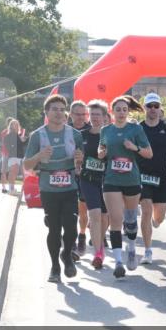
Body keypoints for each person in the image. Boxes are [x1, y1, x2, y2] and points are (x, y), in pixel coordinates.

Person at [23, 95, 85, 282]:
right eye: (54, 109)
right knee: (54, 228)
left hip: (69, 186)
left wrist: (79, 160)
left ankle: (66, 254)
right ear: (47, 113)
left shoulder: (75, 135)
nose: (58, 113)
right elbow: (27, 165)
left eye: (61, 109)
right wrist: (40, 155)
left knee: (71, 227)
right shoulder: (38, 135)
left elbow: (80, 165)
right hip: (48, 187)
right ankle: (55, 267)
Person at [99, 96, 152, 279]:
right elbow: (101, 149)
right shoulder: (106, 130)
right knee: (116, 218)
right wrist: (101, 153)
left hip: (131, 180)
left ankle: (131, 247)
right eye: (118, 109)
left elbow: (149, 153)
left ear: (128, 112)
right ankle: (118, 262)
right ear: (112, 112)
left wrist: (134, 147)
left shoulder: (136, 129)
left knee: (130, 220)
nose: (121, 113)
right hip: (112, 179)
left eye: (124, 109)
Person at [137, 93, 166, 265]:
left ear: (160, 108)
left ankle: (156, 221)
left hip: (162, 177)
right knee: (146, 211)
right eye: (150, 106)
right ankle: (147, 251)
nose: (153, 109)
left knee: (159, 217)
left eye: (156, 106)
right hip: (142, 176)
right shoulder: (138, 128)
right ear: (145, 108)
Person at [79, 100, 110, 269]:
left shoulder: (110, 135)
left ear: (105, 117)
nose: (94, 118)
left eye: (98, 115)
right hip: (88, 179)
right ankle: (98, 253)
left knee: (105, 217)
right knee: (95, 214)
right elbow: (76, 156)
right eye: (91, 114)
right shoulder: (82, 135)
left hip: (107, 181)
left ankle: (99, 239)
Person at [69, 100, 92, 257]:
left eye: (83, 114)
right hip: (67, 175)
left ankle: (82, 235)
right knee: (69, 211)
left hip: (86, 176)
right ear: (70, 115)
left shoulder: (92, 131)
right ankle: (71, 242)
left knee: (82, 211)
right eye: (77, 114)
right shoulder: (65, 130)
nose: (80, 117)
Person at [0, 118, 27, 195]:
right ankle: (11, 189)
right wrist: (17, 143)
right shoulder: (8, 136)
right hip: (13, 157)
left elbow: (21, 146)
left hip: (20, 157)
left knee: (20, 173)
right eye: (13, 124)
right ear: (10, 126)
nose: (15, 125)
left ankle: (15, 189)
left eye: (16, 124)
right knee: (13, 172)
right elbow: (9, 147)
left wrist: (24, 140)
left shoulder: (18, 136)